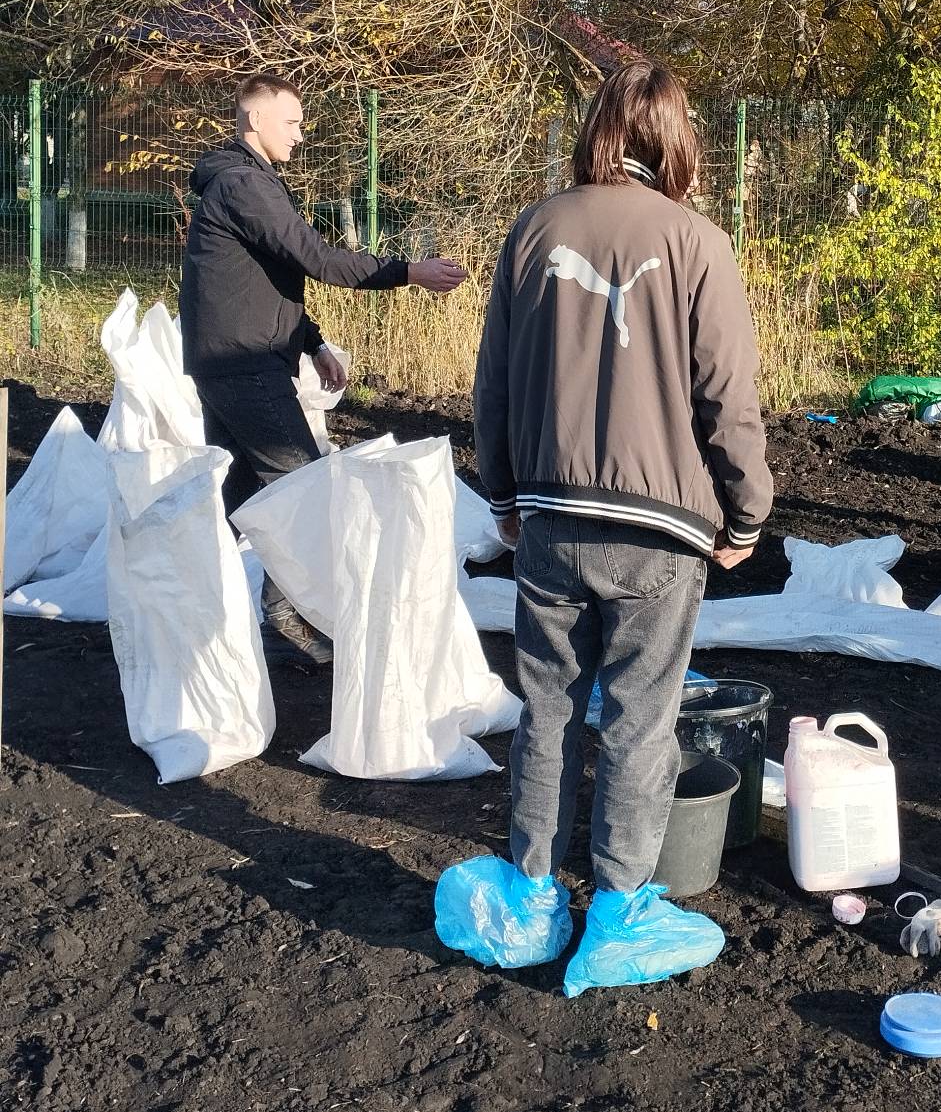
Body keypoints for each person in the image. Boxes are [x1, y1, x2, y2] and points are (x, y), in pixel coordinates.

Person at [444, 63, 773, 999]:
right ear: (674, 141)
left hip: (550, 519)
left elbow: (495, 384)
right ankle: (620, 914)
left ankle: (530, 896)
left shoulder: (537, 227)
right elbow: (728, 401)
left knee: (546, 711)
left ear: (596, 129)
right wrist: (747, 514)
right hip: (662, 532)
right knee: (641, 721)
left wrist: (503, 497)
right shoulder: (698, 241)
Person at [180, 73, 467, 662]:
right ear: (255, 121)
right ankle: (286, 625)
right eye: (292, 122)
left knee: (245, 500)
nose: (301, 134)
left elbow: (266, 283)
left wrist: (312, 344)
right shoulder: (243, 185)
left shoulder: (245, 183)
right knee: (302, 493)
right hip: (243, 366)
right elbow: (315, 259)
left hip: (234, 361)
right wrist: (408, 271)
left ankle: (190, 610)